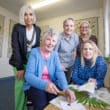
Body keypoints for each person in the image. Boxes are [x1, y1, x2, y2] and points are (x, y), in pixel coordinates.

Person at [23, 28, 76, 110]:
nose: (51, 43)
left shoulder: (55, 54)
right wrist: (45, 85)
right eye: (48, 39)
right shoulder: (34, 52)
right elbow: (28, 76)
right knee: (42, 106)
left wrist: (66, 88)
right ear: (43, 40)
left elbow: (59, 72)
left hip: (51, 85)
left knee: (56, 103)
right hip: (35, 85)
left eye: (54, 41)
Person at [9, 5, 41, 110]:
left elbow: (37, 48)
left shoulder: (38, 29)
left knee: (30, 85)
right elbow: (16, 48)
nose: (28, 17)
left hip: (31, 59)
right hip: (19, 59)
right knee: (20, 86)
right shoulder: (17, 27)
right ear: (22, 16)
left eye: (30, 14)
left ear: (34, 16)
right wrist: (20, 68)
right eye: (25, 14)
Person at [54, 18, 79, 84]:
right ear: (63, 26)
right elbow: (54, 53)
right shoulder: (58, 37)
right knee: (59, 84)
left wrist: (73, 62)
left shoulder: (75, 36)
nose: (69, 28)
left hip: (70, 64)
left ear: (74, 27)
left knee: (67, 83)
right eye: (67, 25)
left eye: (71, 26)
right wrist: (59, 65)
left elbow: (75, 49)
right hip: (60, 64)